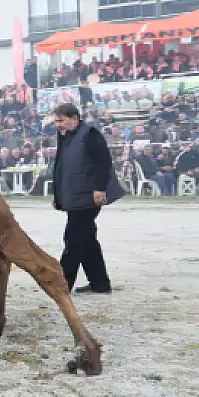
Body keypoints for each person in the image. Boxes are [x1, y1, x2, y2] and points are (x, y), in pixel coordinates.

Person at [51, 103, 123, 294]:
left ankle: (62, 284)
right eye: (56, 121)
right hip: (74, 195)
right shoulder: (65, 136)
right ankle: (100, 283)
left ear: (74, 118)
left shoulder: (90, 134)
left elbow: (102, 162)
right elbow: (61, 167)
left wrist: (99, 189)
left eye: (61, 120)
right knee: (87, 240)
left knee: (73, 239)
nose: (58, 125)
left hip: (89, 196)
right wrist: (57, 196)